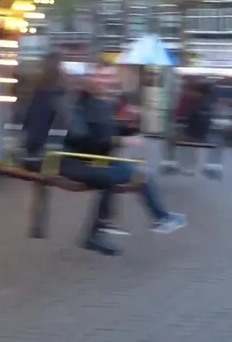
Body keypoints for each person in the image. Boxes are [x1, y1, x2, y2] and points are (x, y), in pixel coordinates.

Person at [60, 67, 186, 255]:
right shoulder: (90, 105)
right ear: (93, 81)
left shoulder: (98, 103)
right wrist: (122, 140)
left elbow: (104, 131)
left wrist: (130, 127)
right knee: (135, 176)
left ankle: (103, 228)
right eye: (103, 77)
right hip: (82, 162)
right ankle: (156, 218)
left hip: (92, 161)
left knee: (132, 176)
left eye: (111, 78)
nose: (109, 82)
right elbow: (89, 140)